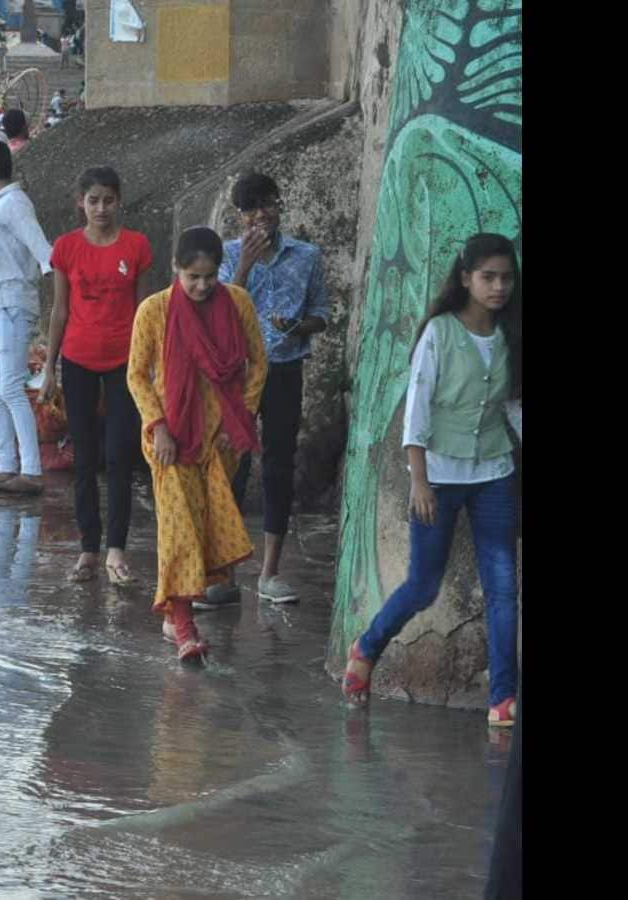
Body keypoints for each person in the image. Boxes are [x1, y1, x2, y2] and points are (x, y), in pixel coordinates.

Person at [342, 233, 522, 726]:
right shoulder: (440, 332)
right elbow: (417, 411)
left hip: (495, 472)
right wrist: (419, 481)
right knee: (423, 585)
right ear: (466, 278)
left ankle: (503, 700)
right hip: (438, 477)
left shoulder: (512, 332)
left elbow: (513, 404)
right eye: (488, 277)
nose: (498, 286)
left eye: (506, 277)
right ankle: (368, 645)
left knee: (504, 589)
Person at [125, 226, 267, 663]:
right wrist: (158, 426)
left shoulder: (237, 303)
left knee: (207, 527)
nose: (202, 286)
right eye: (193, 277)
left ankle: (177, 611)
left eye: (209, 276)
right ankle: (185, 627)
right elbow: (137, 375)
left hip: (220, 439)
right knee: (178, 528)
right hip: (170, 439)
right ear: (176, 271)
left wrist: (237, 417)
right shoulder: (154, 310)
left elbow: (258, 362)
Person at [210, 172, 332, 607]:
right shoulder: (225, 257)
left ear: (280, 205)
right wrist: (245, 265)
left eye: (269, 203)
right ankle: (223, 574)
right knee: (233, 467)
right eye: (252, 207)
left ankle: (270, 573)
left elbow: (321, 312)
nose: (262, 213)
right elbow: (217, 310)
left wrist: (300, 327)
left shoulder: (307, 256)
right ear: (240, 216)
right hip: (239, 374)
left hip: (283, 367)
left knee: (279, 465)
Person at [40, 167, 156, 583]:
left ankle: (116, 550)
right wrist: (49, 368)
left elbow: (146, 313)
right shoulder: (67, 248)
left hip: (125, 362)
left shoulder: (137, 246)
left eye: (108, 199)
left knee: (120, 456)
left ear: (119, 200)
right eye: (93, 200)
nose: (101, 208)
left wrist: (151, 367)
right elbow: (59, 310)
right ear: (80, 203)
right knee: (85, 457)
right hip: (77, 359)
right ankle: (88, 549)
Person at [0, 141, 54, 497]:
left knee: (12, 388)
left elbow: (44, 252)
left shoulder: (15, 204)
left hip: (13, 305)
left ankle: (30, 470)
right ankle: (6, 467)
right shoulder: (4, 203)